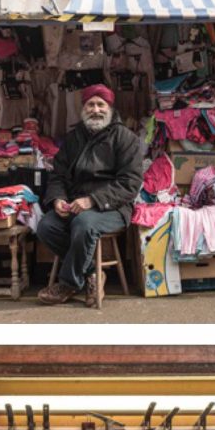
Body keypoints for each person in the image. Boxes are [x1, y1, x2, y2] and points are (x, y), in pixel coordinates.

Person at [36, 83, 145, 306]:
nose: (96, 110)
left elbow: (130, 183)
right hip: (76, 205)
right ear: (83, 108)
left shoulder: (126, 139)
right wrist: (58, 199)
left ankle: (68, 284)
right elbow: (58, 175)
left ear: (110, 108)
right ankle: (92, 275)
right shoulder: (74, 138)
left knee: (85, 224)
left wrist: (92, 200)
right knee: (46, 226)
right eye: (90, 104)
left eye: (100, 104)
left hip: (113, 207)